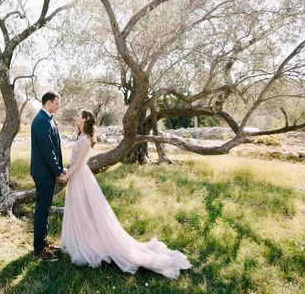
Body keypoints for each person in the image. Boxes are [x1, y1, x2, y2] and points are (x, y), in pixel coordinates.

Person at [58, 109, 192, 279]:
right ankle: (83, 240)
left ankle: (93, 245)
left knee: (89, 212)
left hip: (80, 177)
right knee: (81, 210)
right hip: (77, 177)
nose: (75, 117)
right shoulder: (80, 137)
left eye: (78, 115)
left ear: (84, 120)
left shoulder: (84, 140)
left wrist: (67, 175)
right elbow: (73, 163)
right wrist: (66, 171)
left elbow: (78, 163)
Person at [30, 90, 67, 261]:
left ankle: (43, 242)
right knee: (42, 210)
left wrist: (59, 168)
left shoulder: (47, 120)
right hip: (43, 173)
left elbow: (54, 148)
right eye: (57, 103)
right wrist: (58, 171)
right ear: (48, 102)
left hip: (46, 172)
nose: (59, 106)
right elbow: (48, 151)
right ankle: (39, 249)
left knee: (44, 210)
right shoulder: (42, 121)